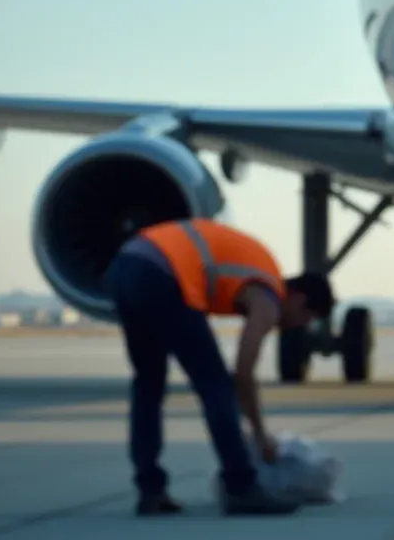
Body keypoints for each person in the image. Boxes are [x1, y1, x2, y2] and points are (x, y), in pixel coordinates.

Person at [102, 217, 336, 516]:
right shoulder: (269, 295)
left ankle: (151, 490)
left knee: (149, 383)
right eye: (307, 319)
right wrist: (260, 434)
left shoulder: (256, 272)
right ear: (299, 299)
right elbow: (244, 372)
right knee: (216, 385)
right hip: (161, 273)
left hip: (124, 266)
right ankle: (241, 485)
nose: (299, 327)